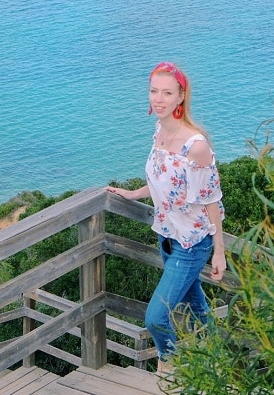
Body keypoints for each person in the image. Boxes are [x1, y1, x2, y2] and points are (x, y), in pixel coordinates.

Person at [105, 61, 226, 375]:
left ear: (180, 97)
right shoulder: (159, 132)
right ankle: (222, 363)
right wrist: (133, 194)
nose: (158, 98)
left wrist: (220, 252)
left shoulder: (195, 147)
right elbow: (163, 181)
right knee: (197, 306)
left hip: (191, 244)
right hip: (166, 237)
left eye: (167, 92)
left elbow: (212, 199)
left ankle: (170, 366)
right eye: (153, 90)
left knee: (156, 317)